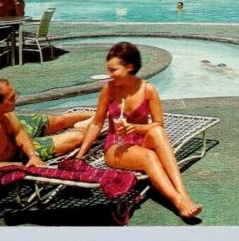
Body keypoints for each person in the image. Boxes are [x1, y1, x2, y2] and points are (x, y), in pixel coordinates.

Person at [76, 42, 202, 219]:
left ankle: (183, 192)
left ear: (130, 67)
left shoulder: (148, 90)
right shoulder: (109, 89)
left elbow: (158, 124)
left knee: (158, 132)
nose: (110, 75)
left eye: (114, 70)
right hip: (116, 147)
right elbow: (97, 123)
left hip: (140, 140)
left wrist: (135, 127)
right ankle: (178, 201)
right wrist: (80, 156)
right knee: (149, 156)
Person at [0, 78, 93, 174]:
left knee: (58, 121)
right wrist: (8, 165)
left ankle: (98, 114)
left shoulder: (4, 112)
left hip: (18, 137)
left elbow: (18, 132)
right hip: (16, 154)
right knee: (78, 137)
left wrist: (33, 155)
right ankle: (86, 126)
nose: (16, 97)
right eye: (11, 98)